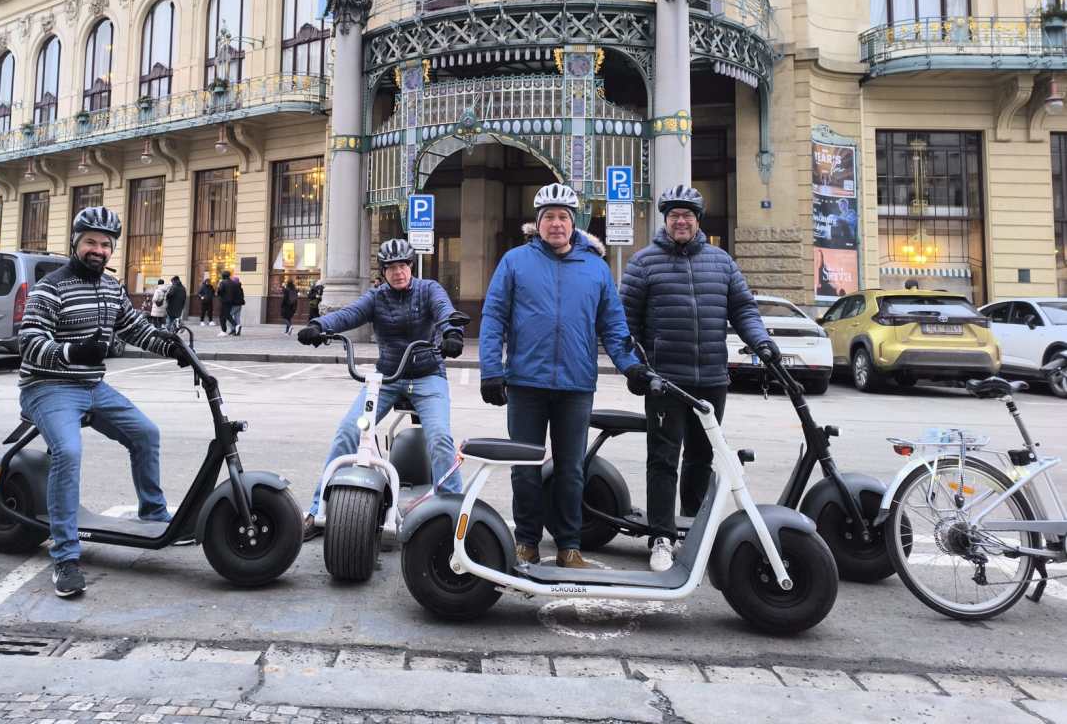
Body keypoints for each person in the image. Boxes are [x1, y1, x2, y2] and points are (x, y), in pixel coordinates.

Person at [17, 206, 195, 599]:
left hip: (91, 387)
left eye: (105, 245)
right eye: (90, 243)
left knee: (146, 434)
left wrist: (171, 346)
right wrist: (72, 352)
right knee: (68, 452)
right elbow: (28, 342)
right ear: (76, 244)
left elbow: (134, 328)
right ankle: (65, 557)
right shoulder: (51, 288)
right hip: (47, 387)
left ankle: (153, 515)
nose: (98, 250)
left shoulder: (110, 288)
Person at [479, 183, 646, 571]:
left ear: (575, 224)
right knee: (525, 469)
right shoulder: (515, 261)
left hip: (575, 385)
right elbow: (493, 317)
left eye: (563, 218)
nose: (556, 224)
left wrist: (632, 367)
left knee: (572, 470)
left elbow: (614, 326)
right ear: (537, 224)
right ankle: (526, 542)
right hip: (526, 383)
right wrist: (492, 370)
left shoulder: (595, 268)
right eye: (549, 217)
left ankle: (569, 546)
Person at [620, 184, 774, 573]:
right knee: (663, 459)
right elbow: (624, 325)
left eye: (687, 215)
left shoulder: (721, 263)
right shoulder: (643, 263)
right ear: (666, 220)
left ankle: (690, 527)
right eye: (674, 215)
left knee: (702, 458)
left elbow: (744, 310)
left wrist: (763, 344)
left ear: (697, 221)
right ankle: (660, 536)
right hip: (665, 381)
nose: (681, 221)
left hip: (711, 378)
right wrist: (636, 368)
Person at [297, 238, 466, 540]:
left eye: (402, 265)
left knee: (440, 438)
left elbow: (444, 312)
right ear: (384, 271)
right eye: (391, 267)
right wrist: (319, 326)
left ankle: (453, 513)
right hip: (387, 378)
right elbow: (348, 315)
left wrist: (452, 333)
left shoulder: (429, 290)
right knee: (349, 430)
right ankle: (317, 511)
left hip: (427, 376)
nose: (398, 272)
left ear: (410, 267)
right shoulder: (376, 298)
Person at [216, 270, 233, 336]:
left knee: (222, 316)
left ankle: (223, 331)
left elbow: (219, 291)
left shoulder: (222, 282)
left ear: (223, 275)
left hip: (223, 301)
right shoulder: (232, 282)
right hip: (230, 301)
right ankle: (235, 325)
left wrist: (218, 286)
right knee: (227, 315)